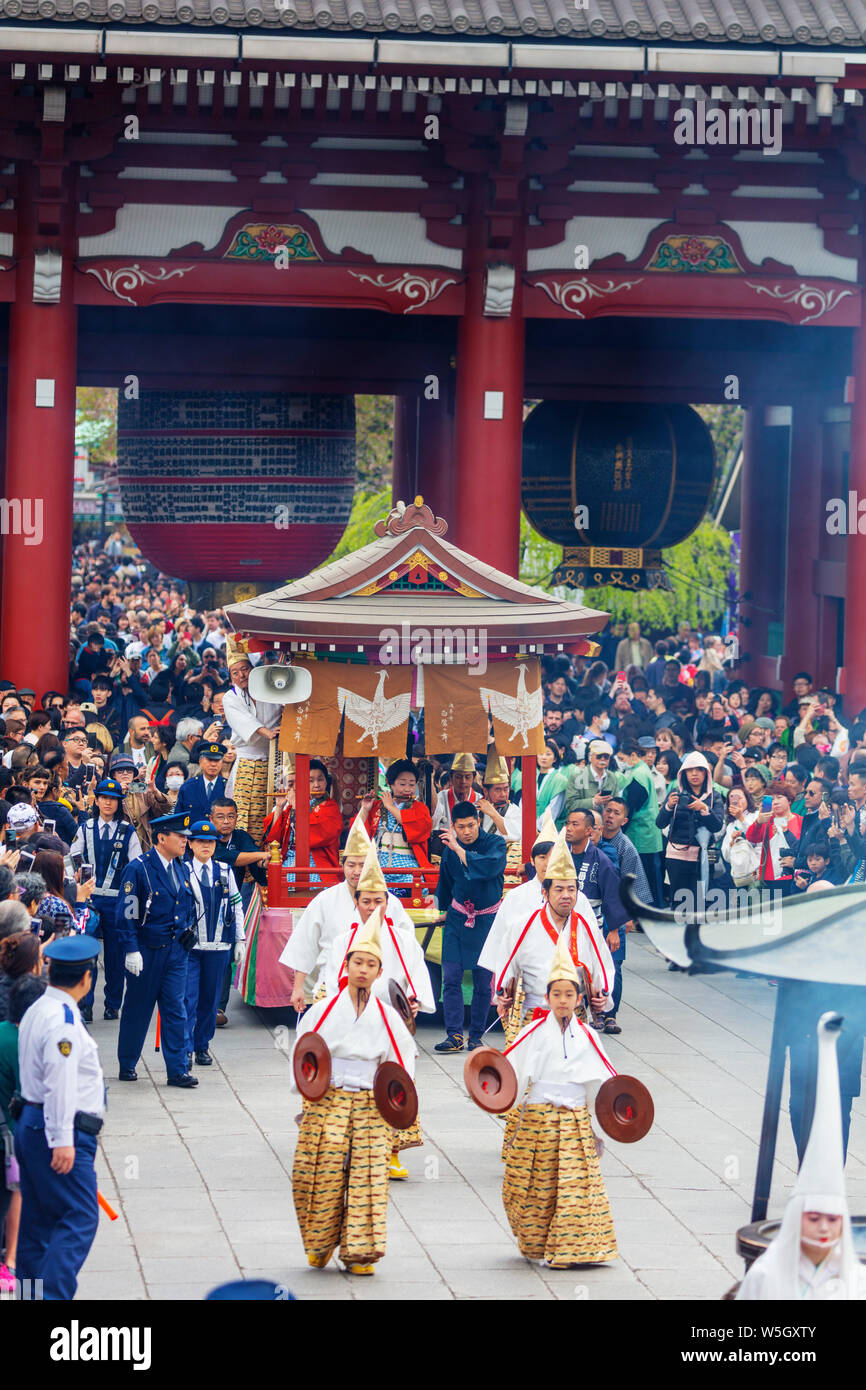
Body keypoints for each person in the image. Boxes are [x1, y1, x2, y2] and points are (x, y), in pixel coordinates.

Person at [291, 908, 415, 1275]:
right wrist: (306, 1096)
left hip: (371, 1103)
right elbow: (303, 1054)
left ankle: (360, 1252)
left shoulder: (389, 1017)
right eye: (357, 962)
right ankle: (318, 1243)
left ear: (379, 972)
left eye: (370, 964)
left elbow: (402, 1065)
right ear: (346, 966)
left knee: (369, 1177)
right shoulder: (322, 1010)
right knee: (314, 1171)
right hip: (328, 1097)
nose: (363, 969)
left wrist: (395, 1109)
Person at [500, 935, 618, 1269]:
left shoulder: (589, 1036)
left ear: (579, 998)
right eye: (556, 994)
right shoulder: (531, 1032)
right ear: (547, 997)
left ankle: (569, 1249)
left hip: (574, 1122)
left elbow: (607, 1081)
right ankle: (537, 1241)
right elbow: (507, 1071)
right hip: (537, 1121)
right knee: (530, 1185)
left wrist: (606, 1121)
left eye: (569, 994)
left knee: (574, 1188)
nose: (563, 1001)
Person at [322, 842, 432, 1180]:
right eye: (366, 901)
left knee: (395, 1086)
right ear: (356, 903)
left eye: (378, 900)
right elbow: (332, 982)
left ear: (388, 903)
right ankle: (348, 1147)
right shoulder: (344, 941)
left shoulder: (403, 939)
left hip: (393, 1028)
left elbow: (415, 982)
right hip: (354, 1022)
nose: (372, 907)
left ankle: (393, 1153)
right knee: (353, 1087)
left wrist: (412, 1002)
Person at [737, 1012, 865, 1300]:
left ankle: (826, 1176)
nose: (823, 1228)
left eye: (831, 1220)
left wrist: (833, 1045)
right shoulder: (766, 1276)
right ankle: (806, 1171)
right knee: (798, 1108)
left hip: (845, 1045)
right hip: (804, 1042)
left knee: (837, 1114)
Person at [14, 935, 105, 1301]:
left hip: (32, 1124)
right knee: (80, 1216)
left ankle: (31, 1295)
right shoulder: (64, 1019)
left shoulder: (38, 1007)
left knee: (36, 1225)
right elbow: (60, 1082)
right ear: (86, 978)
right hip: (58, 1131)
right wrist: (63, 1140)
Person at [281, 814, 414, 1012]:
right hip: (332, 985)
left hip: (378, 988)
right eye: (351, 865)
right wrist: (298, 987)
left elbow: (408, 951)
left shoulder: (389, 903)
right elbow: (304, 945)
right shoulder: (325, 900)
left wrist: (410, 992)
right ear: (342, 865)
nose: (357, 871)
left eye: (363, 864)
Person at [494, 827, 614, 1044]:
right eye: (559, 889)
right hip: (532, 1015)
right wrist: (502, 991)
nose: (566, 896)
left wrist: (603, 994)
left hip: (574, 1017)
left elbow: (602, 964)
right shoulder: (523, 925)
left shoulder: (585, 927)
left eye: (571, 889)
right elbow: (506, 962)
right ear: (545, 892)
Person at [116, 812, 199, 1089]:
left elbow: (185, 906)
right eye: (180, 836)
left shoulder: (181, 867)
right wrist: (130, 948)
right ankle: (127, 1062)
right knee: (138, 1009)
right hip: (147, 950)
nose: (185, 841)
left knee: (176, 1009)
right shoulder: (138, 869)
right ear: (162, 838)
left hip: (176, 952)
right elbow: (127, 911)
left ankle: (177, 1070)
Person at [434, 801, 507, 1054]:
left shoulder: (495, 845)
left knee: (482, 981)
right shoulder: (449, 850)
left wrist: (457, 848)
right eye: (461, 827)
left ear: (479, 822)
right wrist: (442, 911)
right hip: (457, 917)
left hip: (486, 920)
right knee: (451, 976)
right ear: (453, 826)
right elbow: (445, 882)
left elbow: (487, 869)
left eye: (471, 825)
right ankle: (454, 1034)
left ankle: (476, 1035)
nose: (466, 831)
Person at [70, 778, 142, 1022]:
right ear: (97, 800)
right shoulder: (85, 828)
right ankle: (85, 1004)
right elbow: (72, 857)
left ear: (118, 802)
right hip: (88, 900)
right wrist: (79, 875)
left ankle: (113, 1003)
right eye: (104, 798)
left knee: (115, 955)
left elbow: (135, 866)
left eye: (113, 799)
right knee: (87, 953)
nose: (108, 802)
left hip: (116, 901)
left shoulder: (128, 831)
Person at [184, 819, 245, 1067]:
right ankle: (185, 1048)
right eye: (200, 841)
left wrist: (240, 939)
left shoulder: (224, 870)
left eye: (210, 842)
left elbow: (236, 906)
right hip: (190, 948)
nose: (205, 846)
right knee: (188, 999)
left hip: (219, 946)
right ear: (190, 843)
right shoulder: (182, 870)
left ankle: (202, 1046)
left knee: (210, 1002)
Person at [0, 973, 47, 1296]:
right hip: (16, 1138)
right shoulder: (23, 1043)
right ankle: (12, 1261)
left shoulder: (2, 1032)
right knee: (23, 1203)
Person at [477, 810, 558, 978]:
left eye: (554, 857)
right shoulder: (516, 896)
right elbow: (499, 940)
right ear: (532, 860)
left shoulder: (575, 898)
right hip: (524, 980)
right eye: (542, 857)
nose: (548, 863)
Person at [221, 639, 282, 846]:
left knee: (273, 810)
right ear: (230, 677)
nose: (241, 676)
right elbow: (244, 723)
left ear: (252, 669)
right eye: (235, 673)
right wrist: (268, 732)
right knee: (247, 817)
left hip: (275, 758)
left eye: (245, 669)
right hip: (248, 761)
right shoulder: (230, 697)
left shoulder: (268, 687)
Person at [656, 751, 724, 919]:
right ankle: (677, 938)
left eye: (699, 769)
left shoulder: (714, 796)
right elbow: (660, 823)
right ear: (683, 773)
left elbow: (717, 826)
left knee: (699, 902)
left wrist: (703, 809)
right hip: (676, 855)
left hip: (702, 857)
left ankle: (694, 940)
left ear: (706, 772)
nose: (694, 774)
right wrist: (668, 807)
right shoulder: (675, 792)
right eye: (690, 769)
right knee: (678, 900)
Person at [264, 757, 342, 885]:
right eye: (310, 780)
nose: (316, 785)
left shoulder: (330, 807)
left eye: (320, 779)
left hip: (317, 867)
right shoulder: (291, 807)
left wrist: (296, 806)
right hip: (288, 863)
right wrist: (279, 806)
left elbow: (314, 837)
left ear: (326, 782)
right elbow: (274, 839)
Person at [360, 757, 433, 889]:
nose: (407, 789)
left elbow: (417, 829)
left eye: (412, 784)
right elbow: (359, 832)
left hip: (407, 863)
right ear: (390, 783)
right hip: (378, 861)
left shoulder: (420, 808)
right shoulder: (376, 806)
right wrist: (365, 809)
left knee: (417, 886)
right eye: (402, 784)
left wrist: (390, 807)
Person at [615, 738, 664, 905]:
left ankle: (651, 913)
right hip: (646, 832)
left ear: (633, 755)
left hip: (642, 833)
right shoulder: (641, 769)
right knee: (651, 877)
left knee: (647, 879)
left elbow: (631, 806)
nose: (620, 763)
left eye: (622, 758)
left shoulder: (638, 776)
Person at [745, 783, 802, 892]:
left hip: (795, 876)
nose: (775, 802)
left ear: (789, 800)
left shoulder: (800, 821)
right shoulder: (766, 822)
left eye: (779, 798)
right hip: (770, 878)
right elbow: (751, 838)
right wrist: (758, 822)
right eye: (772, 799)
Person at [175, 742, 227, 821]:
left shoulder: (227, 787)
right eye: (209, 760)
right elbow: (178, 818)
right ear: (200, 761)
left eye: (217, 760)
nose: (213, 764)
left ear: (222, 762)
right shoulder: (188, 787)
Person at [477, 752, 522, 843]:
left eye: (506, 789)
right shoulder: (476, 809)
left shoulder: (515, 811)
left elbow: (515, 836)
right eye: (498, 790)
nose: (503, 794)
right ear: (486, 791)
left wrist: (493, 814)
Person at [430, 751, 479, 832]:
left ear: (473, 778)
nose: (463, 781)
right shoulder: (440, 798)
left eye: (467, 777)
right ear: (451, 778)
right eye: (459, 777)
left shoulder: (480, 800)